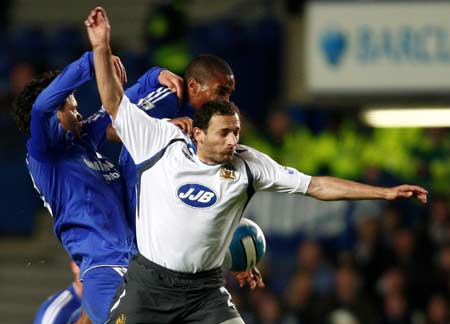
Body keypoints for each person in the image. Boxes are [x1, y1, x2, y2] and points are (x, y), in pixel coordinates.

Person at [85, 7, 428, 323]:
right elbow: (114, 102)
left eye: (236, 132)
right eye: (225, 133)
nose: (234, 140)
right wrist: (101, 46)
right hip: (150, 287)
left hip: (204, 292)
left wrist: (383, 193)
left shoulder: (249, 164)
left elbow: (316, 186)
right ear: (199, 134)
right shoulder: (160, 141)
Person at [13, 50, 184, 323]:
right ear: (54, 118)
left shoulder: (84, 142)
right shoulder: (44, 157)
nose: (79, 113)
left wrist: (154, 78)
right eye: (72, 107)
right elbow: (41, 107)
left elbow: (119, 107)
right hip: (104, 271)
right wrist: (90, 62)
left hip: (143, 265)